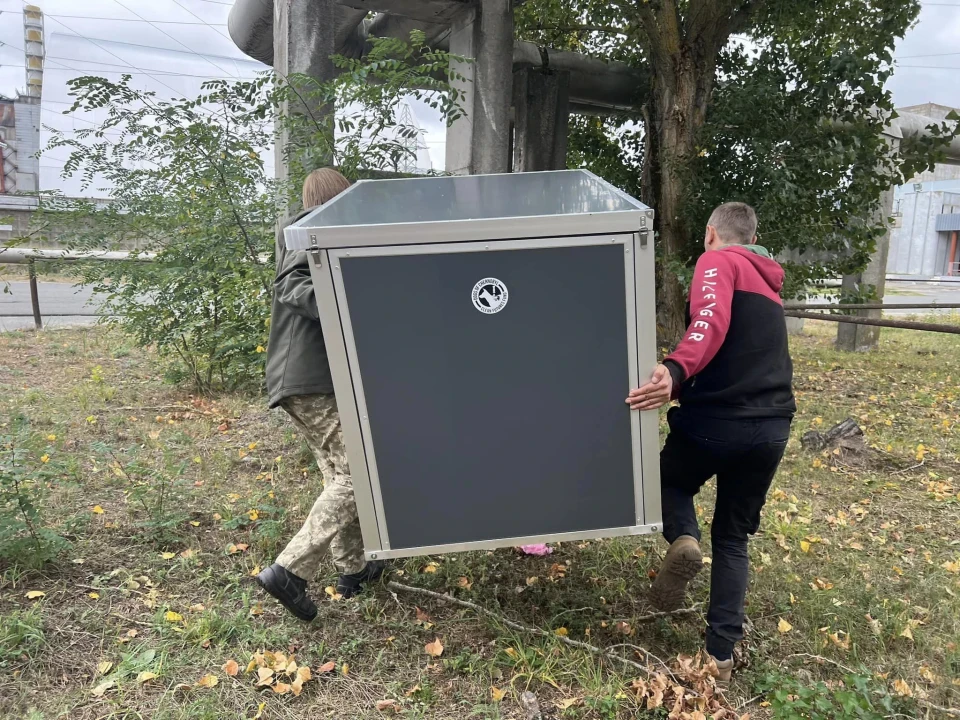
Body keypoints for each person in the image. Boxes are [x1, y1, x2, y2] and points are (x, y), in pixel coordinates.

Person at [626, 202, 795, 681]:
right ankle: (720, 655)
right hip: (772, 427)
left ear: (710, 234)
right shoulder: (768, 283)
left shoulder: (718, 261)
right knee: (734, 537)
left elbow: (710, 323)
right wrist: (680, 385)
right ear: (753, 235)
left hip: (717, 422)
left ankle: (683, 538)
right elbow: (734, 358)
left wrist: (674, 369)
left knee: (664, 479)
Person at [256, 168, 384, 621]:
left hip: (306, 380)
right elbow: (290, 285)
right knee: (363, 471)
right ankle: (290, 570)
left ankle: (355, 570)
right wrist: (350, 300)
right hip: (312, 380)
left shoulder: (313, 231)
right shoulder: (310, 230)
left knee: (342, 474)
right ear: (339, 197)